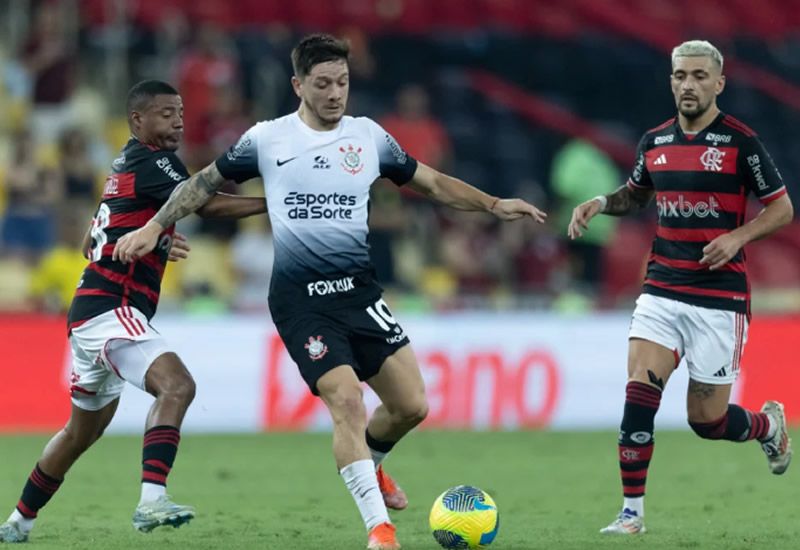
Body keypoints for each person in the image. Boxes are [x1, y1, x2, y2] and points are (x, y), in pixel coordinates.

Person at [112, 34, 546, 550]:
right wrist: (154, 226)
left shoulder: (368, 137)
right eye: (322, 84)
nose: (335, 93)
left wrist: (494, 205)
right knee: (346, 400)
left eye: (342, 82)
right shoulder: (267, 139)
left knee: (412, 405)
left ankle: (372, 465)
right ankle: (378, 530)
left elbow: (429, 182)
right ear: (298, 85)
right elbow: (201, 185)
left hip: (359, 293)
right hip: (301, 300)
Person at [0, 80, 268, 543]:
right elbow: (206, 205)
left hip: (89, 313)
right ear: (138, 120)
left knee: (78, 434)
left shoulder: (124, 163)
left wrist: (158, 235)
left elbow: (91, 240)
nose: (179, 120)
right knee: (178, 386)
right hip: (111, 307)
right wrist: (279, 205)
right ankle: (151, 501)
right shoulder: (154, 160)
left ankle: (18, 521)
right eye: (166, 113)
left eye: (181, 112)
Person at [568, 40, 794, 535]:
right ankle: (631, 514)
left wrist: (737, 236)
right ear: (670, 80)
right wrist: (601, 203)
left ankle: (768, 426)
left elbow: (782, 208)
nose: (687, 85)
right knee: (638, 395)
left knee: (706, 421)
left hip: (719, 298)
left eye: (697, 76)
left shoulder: (741, 143)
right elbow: (637, 193)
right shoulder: (655, 142)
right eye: (679, 76)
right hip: (662, 289)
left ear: (718, 83)